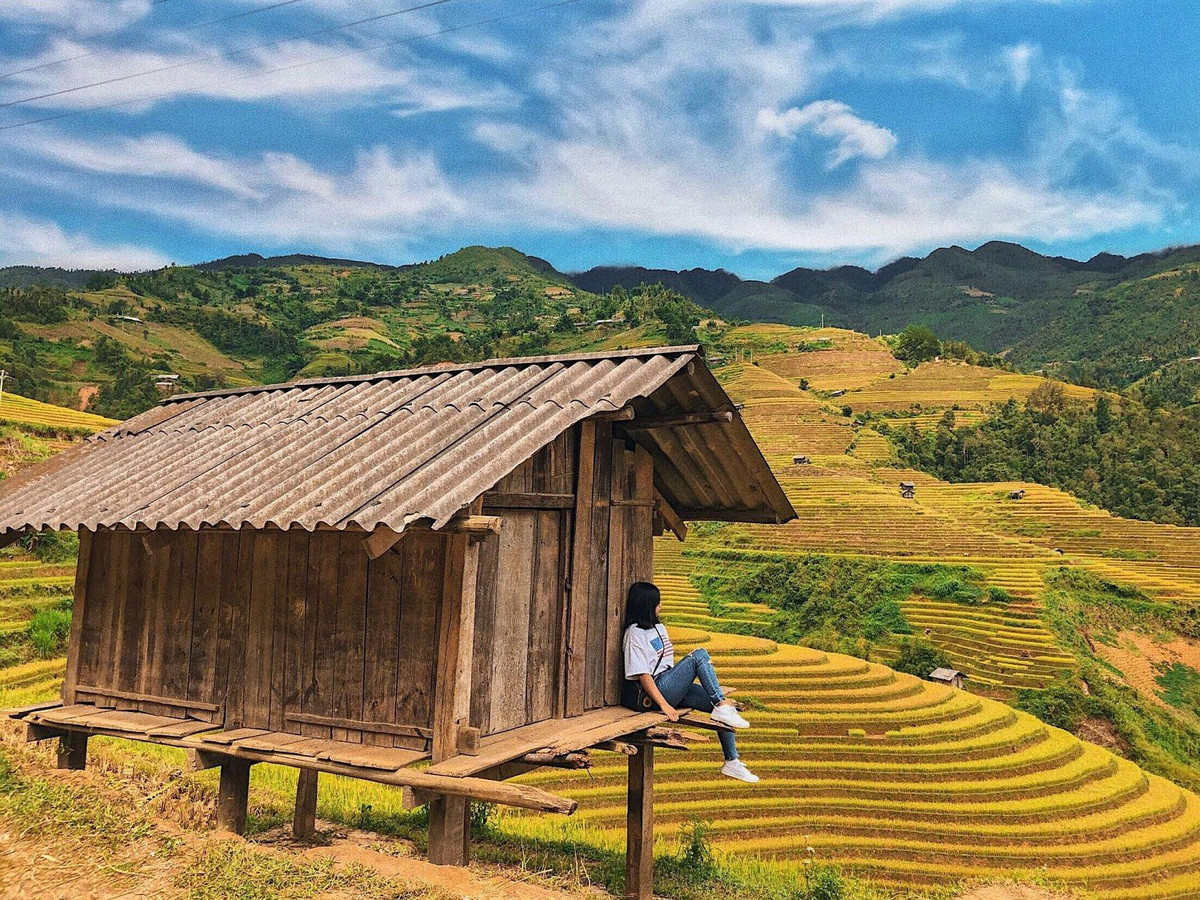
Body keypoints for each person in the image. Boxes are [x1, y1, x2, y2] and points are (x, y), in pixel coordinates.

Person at [620, 581, 760, 783]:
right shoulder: (634, 634)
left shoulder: (659, 628)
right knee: (699, 655)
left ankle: (732, 761)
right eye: (657, 603)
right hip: (657, 690)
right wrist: (665, 705)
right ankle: (719, 702)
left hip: (670, 684)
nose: (661, 607)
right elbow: (643, 675)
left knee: (727, 710)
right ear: (647, 606)